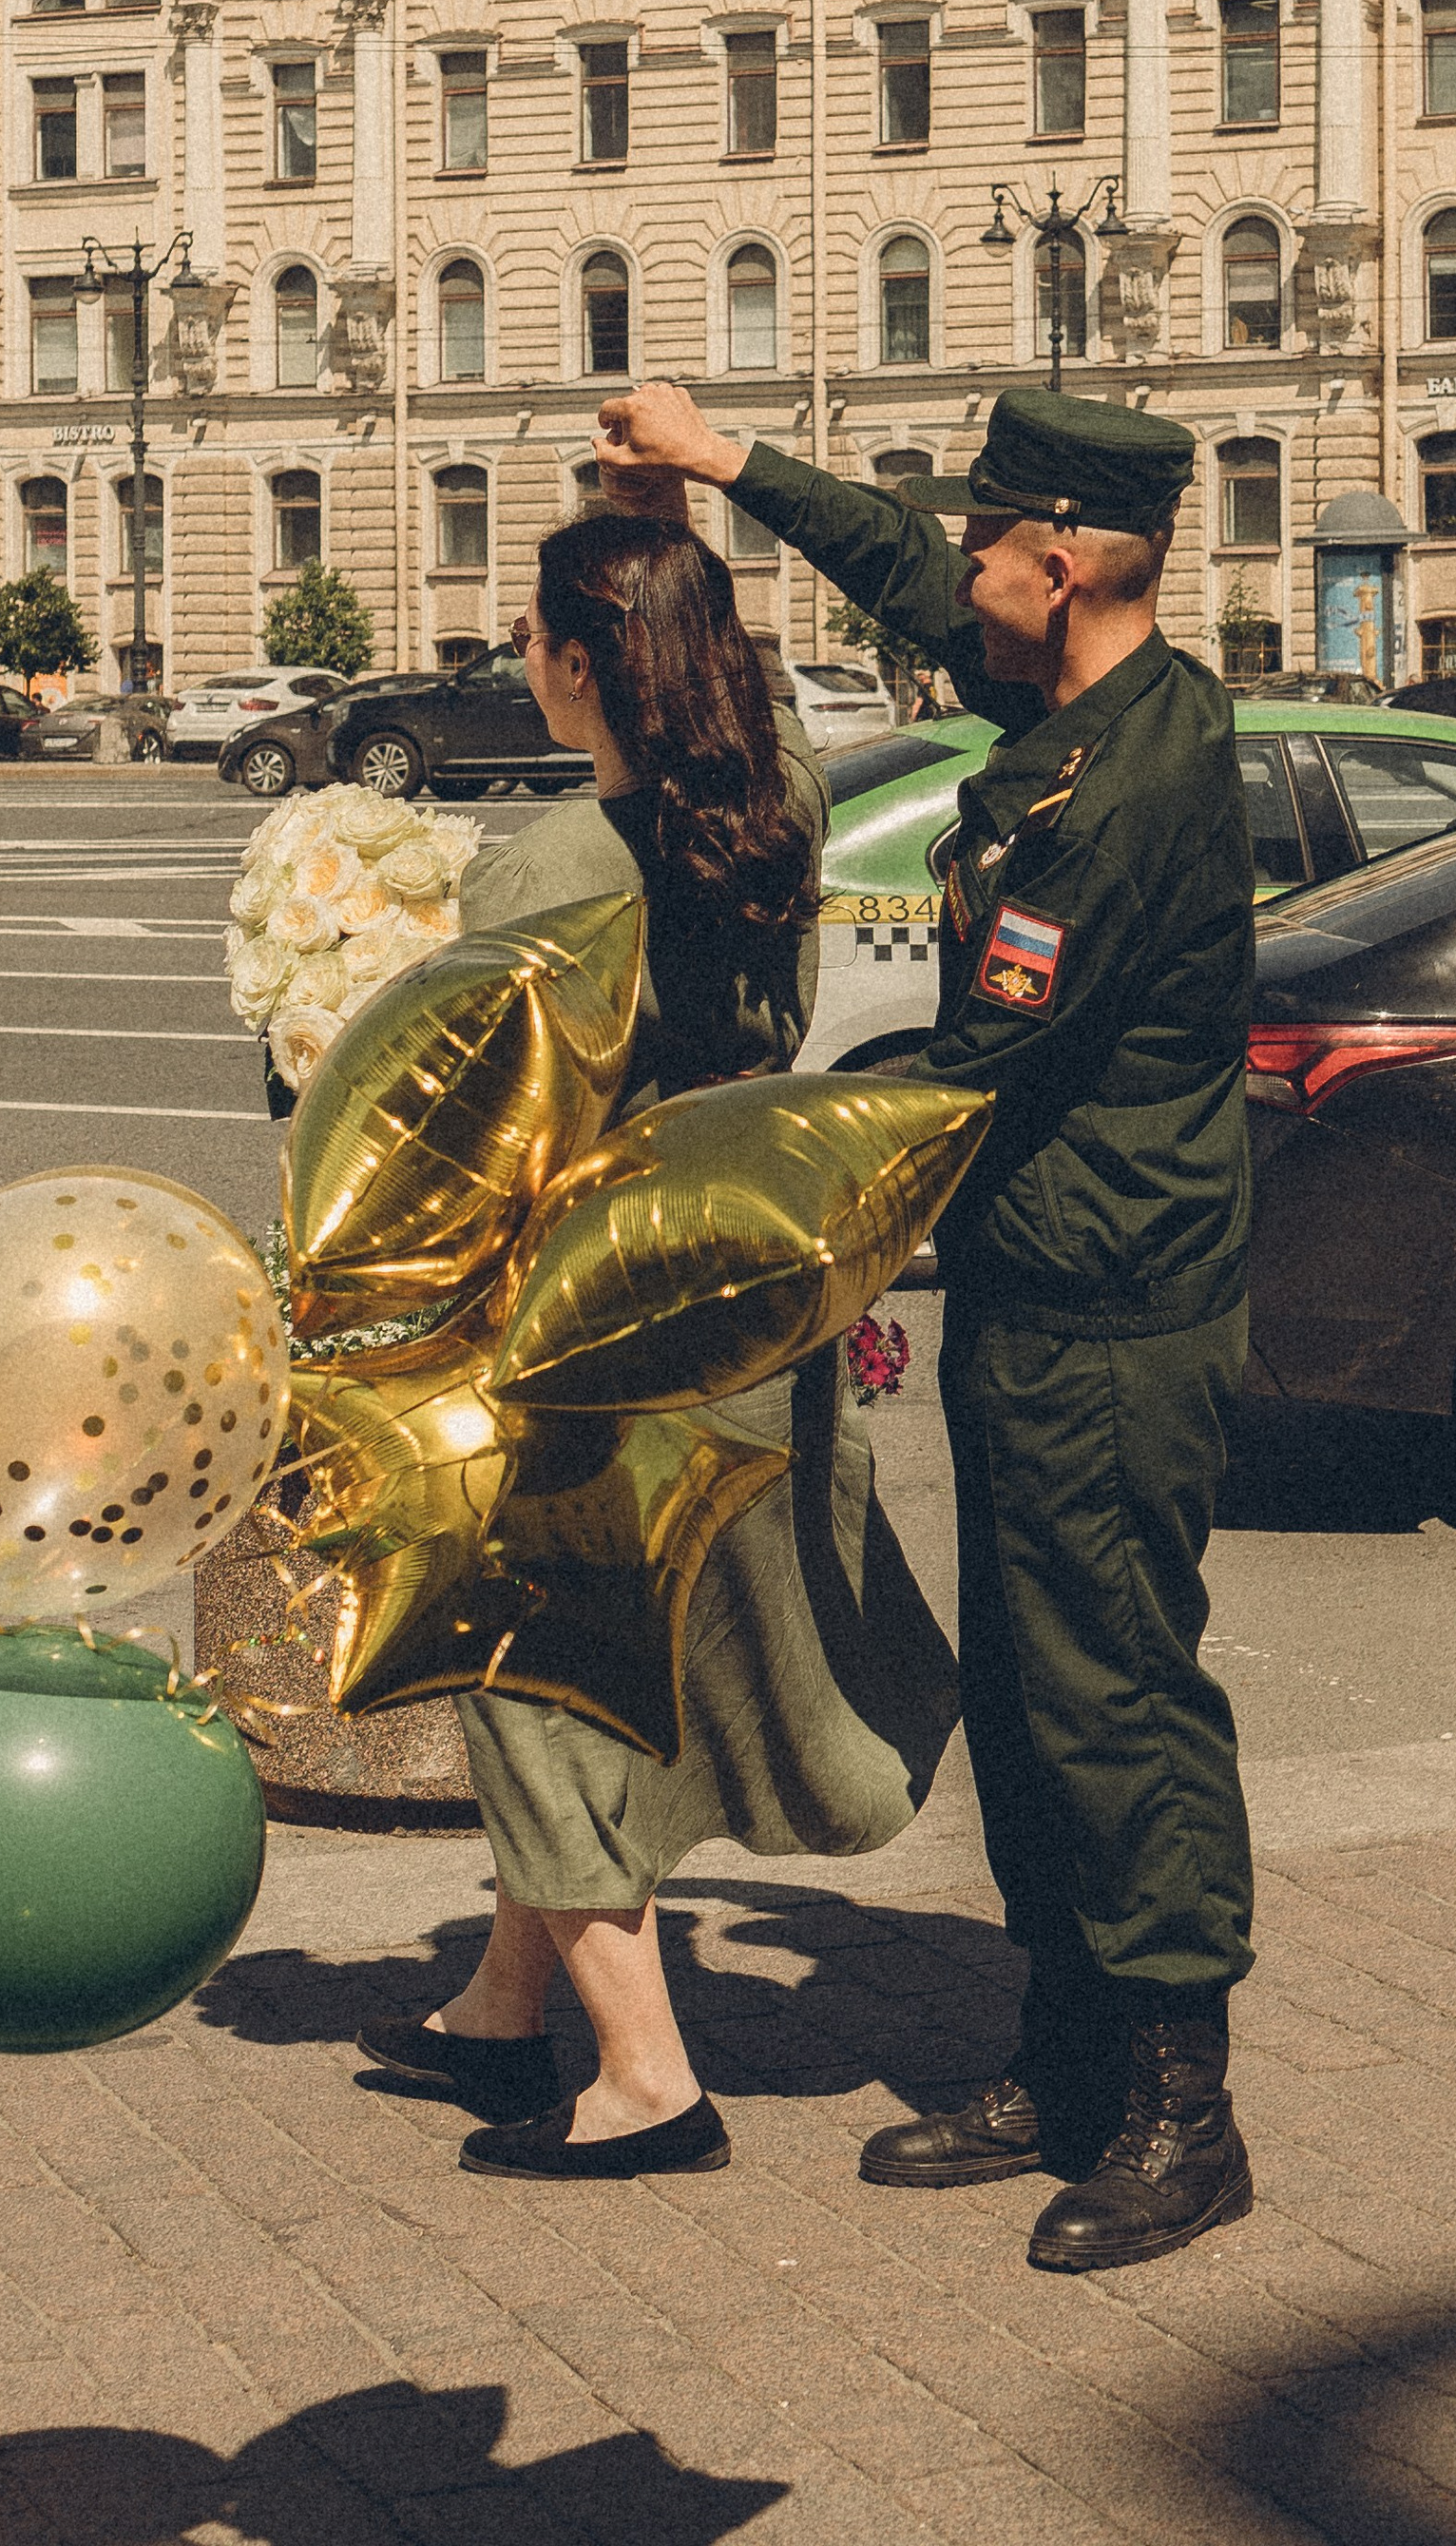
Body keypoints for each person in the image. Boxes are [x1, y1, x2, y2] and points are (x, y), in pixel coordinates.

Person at [595, 379, 1258, 2277]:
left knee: (1113, 1700)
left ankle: (1172, 2111)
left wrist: (719, 1174)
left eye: (988, 550)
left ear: (1060, 565)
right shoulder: (1079, 698)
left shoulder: (1116, 786)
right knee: (1041, 1708)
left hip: (1112, 1312)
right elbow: (903, 570)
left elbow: (966, 1069)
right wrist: (729, 462)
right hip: (1044, 1291)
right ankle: (1059, 2058)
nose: (957, 576)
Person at [358, 510, 958, 2183]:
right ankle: (496, 2014)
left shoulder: (552, 870)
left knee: (531, 1675)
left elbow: (462, 1117)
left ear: (573, 661)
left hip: (588, 1318)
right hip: (743, 1287)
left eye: (535, 641)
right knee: (656, 1647)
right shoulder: (785, 804)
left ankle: (644, 2080)